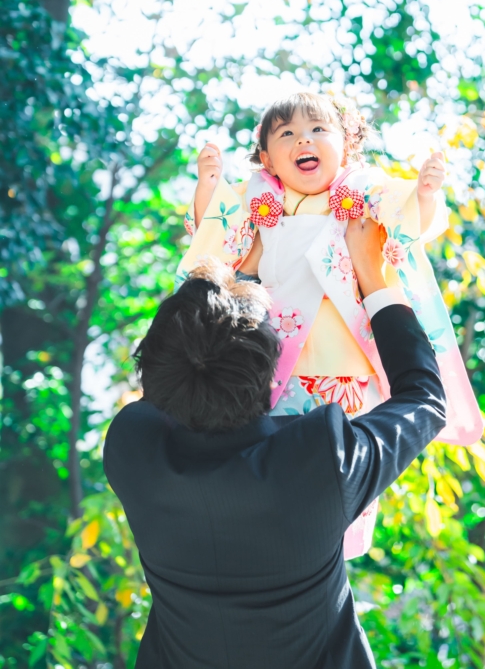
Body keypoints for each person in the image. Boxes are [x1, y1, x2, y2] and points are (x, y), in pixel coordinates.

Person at [104, 218, 449, 669]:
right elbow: (425, 398)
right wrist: (372, 274)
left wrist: (237, 283)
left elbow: (176, 377)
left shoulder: (134, 451)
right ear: (272, 380)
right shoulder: (322, 461)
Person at [176, 92, 482, 556]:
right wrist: (208, 184)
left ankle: (331, 550)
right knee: (275, 461)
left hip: (348, 362)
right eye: (287, 134)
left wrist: (424, 194)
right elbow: (215, 232)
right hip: (279, 363)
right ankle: (280, 545)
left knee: (344, 471)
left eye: (319, 130)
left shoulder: (362, 190)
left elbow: (404, 218)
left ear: (347, 146)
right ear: (267, 160)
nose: (305, 140)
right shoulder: (260, 198)